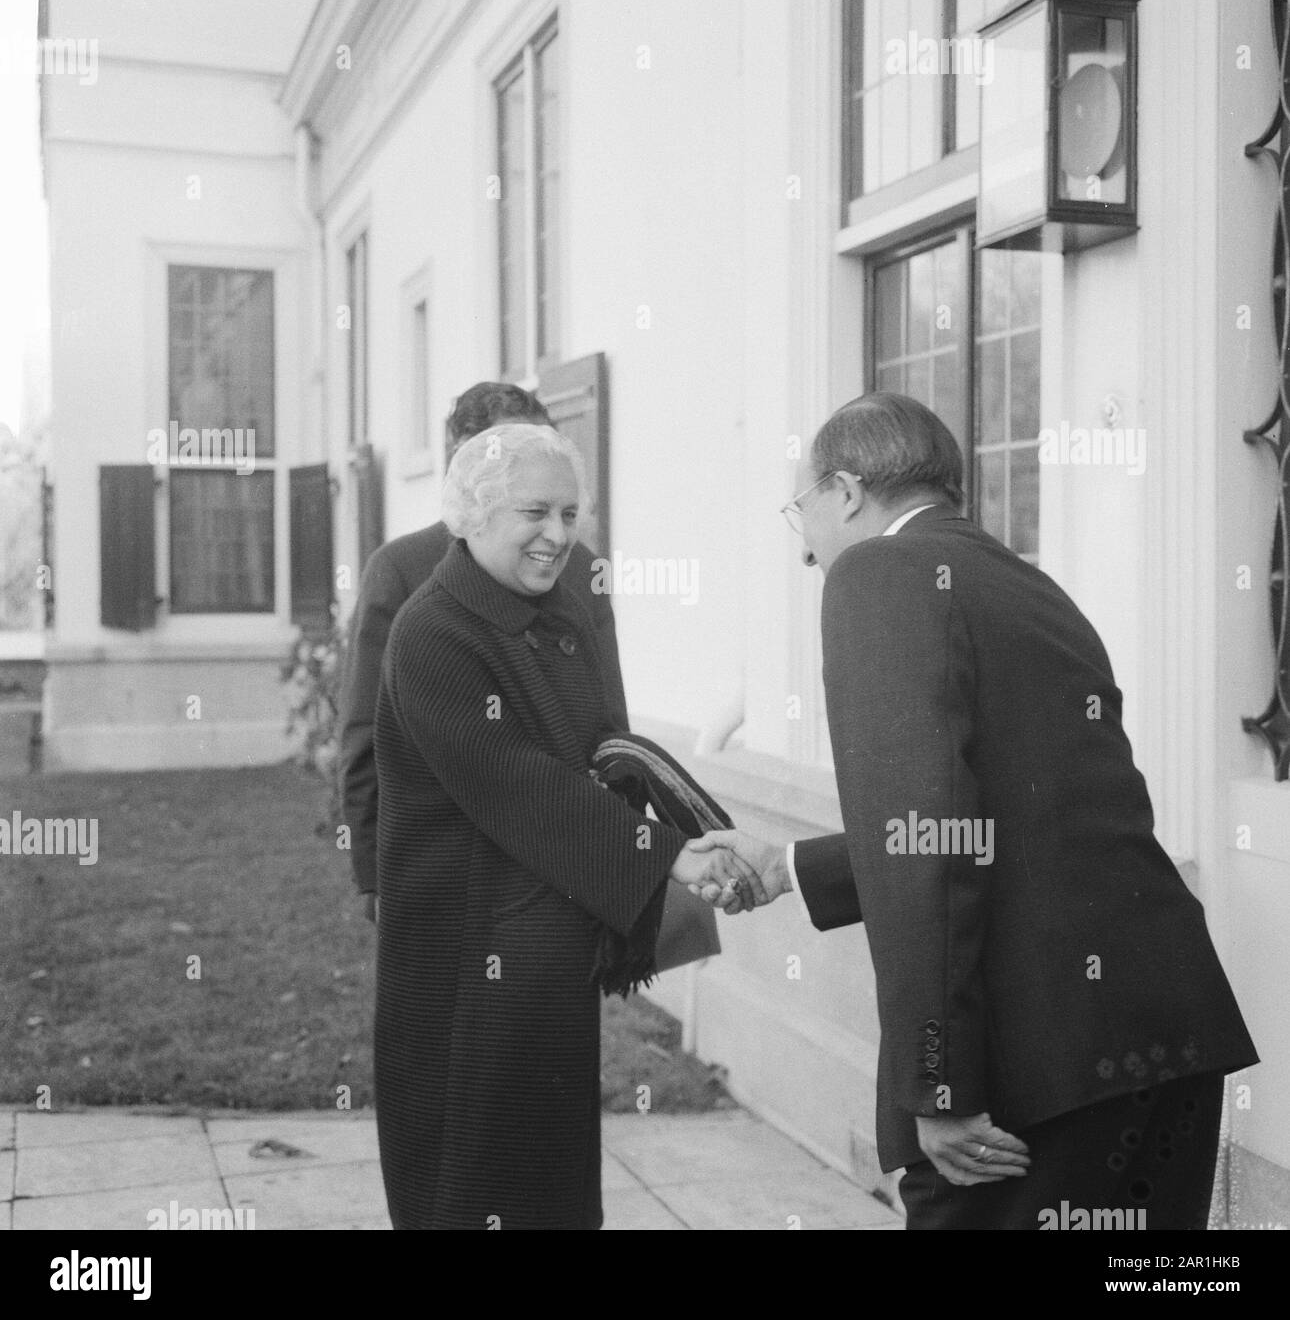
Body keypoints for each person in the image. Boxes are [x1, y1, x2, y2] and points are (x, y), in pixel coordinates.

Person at [689, 392, 1258, 1230]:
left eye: (800, 510)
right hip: (1158, 1033)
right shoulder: (1027, 584)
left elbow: (931, 852)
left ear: (845, 490)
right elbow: (1001, 816)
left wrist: (936, 1080)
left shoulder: (877, 573)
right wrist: (787, 867)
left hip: (1037, 1071)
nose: (806, 548)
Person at [372, 423, 739, 1230]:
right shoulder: (434, 632)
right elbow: (522, 786)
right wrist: (667, 855)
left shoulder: (558, 604)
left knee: (550, 1183)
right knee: (468, 1177)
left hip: (546, 943)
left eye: (570, 514)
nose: (558, 535)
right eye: (534, 512)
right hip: (467, 956)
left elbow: (601, 745)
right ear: (470, 515)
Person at [337, 382, 627, 923]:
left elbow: (609, 719)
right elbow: (365, 732)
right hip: (447, 862)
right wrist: (373, 871)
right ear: (461, 463)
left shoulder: (581, 569)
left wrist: (625, 850)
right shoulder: (401, 569)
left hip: (564, 853)